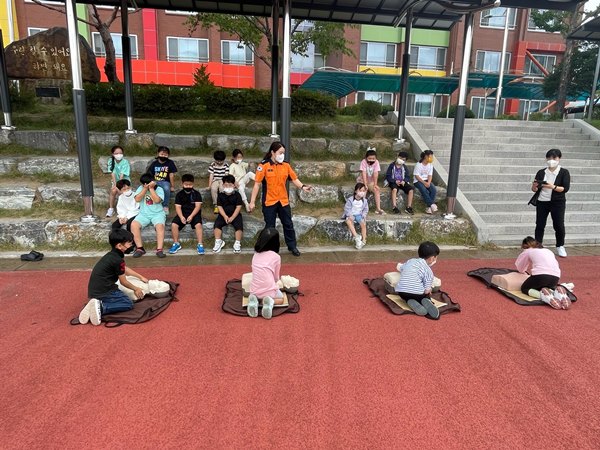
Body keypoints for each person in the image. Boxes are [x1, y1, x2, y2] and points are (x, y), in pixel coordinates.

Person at [248, 141, 312, 257]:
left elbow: (294, 179)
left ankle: (292, 246)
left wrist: (303, 186)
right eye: (280, 152)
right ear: (273, 152)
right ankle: (269, 249)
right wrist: (252, 202)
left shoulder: (286, 165)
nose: (282, 155)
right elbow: (257, 184)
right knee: (270, 227)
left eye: (283, 153)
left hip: (283, 201)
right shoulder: (263, 166)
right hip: (269, 201)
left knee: (288, 224)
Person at [78, 229, 149, 326]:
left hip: (94, 291)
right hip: (105, 291)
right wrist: (136, 289)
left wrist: (140, 277)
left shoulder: (111, 255)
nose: (132, 246)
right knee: (127, 304)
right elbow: (123, 282)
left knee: (119, 297)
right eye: (129, 243)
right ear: (119, 246)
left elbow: (124, 269)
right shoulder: (117, 260)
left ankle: (94, 305)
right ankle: (101, 307)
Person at [531, 149, 571, 258]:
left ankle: (560, 246)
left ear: (559, 159)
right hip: (542, 201)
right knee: (540, 224)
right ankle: (538, 245)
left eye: (554, 158)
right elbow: (534, 189)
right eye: (549, 158)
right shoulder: (541, 172)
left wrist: (552, 186)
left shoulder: (564, 172)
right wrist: (534, 186)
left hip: (557, 202)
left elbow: (565, 189)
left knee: (558, 225)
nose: (551, 160)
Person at [515, 236, 571, 309]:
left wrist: (522, 271)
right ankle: (559, 294)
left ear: (525, 245)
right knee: (545, 287)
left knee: (525, 288)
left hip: (540, 276)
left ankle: (545, 296)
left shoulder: (528, 251)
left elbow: (520, 267)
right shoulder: (548, 251)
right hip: (555, 277)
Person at [395, 241, 441, 320]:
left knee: (405, 295)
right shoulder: (428, 271)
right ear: (432, 258)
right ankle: (426, 300)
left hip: (402, 291)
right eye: (436, 257)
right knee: (425, 294)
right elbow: (427, 290)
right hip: (417, 294)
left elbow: (400, 267)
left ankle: (408, 300)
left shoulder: (410, 261)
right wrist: (429, 291)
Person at [247, 227, 285, 319]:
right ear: (276, 242)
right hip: (269, 290)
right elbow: (276, 278)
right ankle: (269, 301)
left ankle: (255, 301)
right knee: (281, 299)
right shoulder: (276, 257)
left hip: (254, 290)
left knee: (256, 292)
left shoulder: (255, 254)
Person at [131, 173, 167, 258]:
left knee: (160, 226)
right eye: (144, 184)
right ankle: (140, 248)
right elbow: (137, 199)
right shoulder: (141, 188)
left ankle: (159, 249)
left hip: (157, 214)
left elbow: (157, 200)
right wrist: (144, 189)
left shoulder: (159, 189)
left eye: (148, 183)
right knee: (134, 225)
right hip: (144, 214)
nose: (146, 185)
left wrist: (151, 189)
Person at [168, 174, 205, 255]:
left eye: (190, 184)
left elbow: (198, 207)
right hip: (183, 213)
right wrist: (181, 217)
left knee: (198, 225)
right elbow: (178, 207)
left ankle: (200, 244)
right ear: (182, 184)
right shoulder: (179, 194)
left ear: (193, 184)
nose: (188, 186)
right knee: (174, 224)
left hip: (194, 214)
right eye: (186, 184)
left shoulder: (197, 194)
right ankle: (176, 243)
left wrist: (191, 216)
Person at [213, 175, 244, 254]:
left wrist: (233, 217)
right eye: (226, 185)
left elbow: (238, 207)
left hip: (235, 214)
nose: (228, 187)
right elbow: (219, 207)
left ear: (234, 185)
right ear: (223, 185)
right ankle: (218, 241)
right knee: (217, 225)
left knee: (239, 226)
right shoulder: (220, 195)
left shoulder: (237, 195)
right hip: (223, 214)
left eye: (230, 185)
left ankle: (237, 243)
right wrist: (224, 216)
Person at [146, 146, 177, 213]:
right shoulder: (154, 163)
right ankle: (150, 205)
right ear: (158, 154)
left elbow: (171, 175)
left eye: (165, 155)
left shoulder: (170, 163)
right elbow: (149, 174)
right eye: (162, 154)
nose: (163, 156)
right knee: (148, 188)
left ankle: (165, 206)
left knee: (166, 188)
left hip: (165, 181)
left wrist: (172, 186)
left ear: (168, 155)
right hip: (155, 181)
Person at [357, 147, 385, 215]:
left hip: (371, 182)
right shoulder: (363, 162)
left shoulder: (376, 162)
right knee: (364, 190)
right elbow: (363, 173)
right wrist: (365, 184)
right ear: (366, 158)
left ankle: (378, 208)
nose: (371, 160)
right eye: (369, 158)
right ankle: (361, 208)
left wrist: (375, 184)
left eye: (373, 159)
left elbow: (376, 173)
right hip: (362, 180)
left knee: (376, 190)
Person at [105, 146, 131, 218]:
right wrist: (115, 185)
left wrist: (119, 186)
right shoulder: (110, 161)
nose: (118, 155)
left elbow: (122, 175)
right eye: (116, 153)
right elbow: (112, 173)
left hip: (124, 181)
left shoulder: (125, 162)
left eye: (120, 153)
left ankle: (125, 209)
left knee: (123, 192)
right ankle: (111, 209)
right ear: (113, 154)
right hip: (115, 181)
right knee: (113, 191)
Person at [342, 182, 368, 249]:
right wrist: (349, 215)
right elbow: (346, 209)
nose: (362, 192)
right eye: (360, 190)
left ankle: (364, 240)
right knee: (348, 221)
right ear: (356, 191)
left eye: (363, 191)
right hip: (351, 215)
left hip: (359, 215)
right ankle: (356, 237)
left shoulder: (364, 201)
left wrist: (364, 215)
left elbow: (365, 209)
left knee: (363, 224)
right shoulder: (350, 200)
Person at [413, 150, 437, 214]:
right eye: (430, 156)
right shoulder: (418, 165)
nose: (431, 158)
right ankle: (432, 204)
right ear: (425, 156)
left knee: (433, 190)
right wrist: (424, 183)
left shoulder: (430, 165)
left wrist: (428, 182)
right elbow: (417, 176)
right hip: (418, 181)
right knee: (424, 190)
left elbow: (430, 175)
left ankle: (429, 208)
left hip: (427, 180)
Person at [208, 150, 229, 214]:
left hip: (223, 180)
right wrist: (209, 185)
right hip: (215, 180)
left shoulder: (226, 165)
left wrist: (226, 183)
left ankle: (222, 204)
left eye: (221, 161)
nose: (219, 162)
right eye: (218, 161)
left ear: (224, 159)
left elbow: (226, 175)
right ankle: (216, 205)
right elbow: (211, 175)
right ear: (215, 159)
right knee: (213, 189)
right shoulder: (212, 165)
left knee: (222, 189)